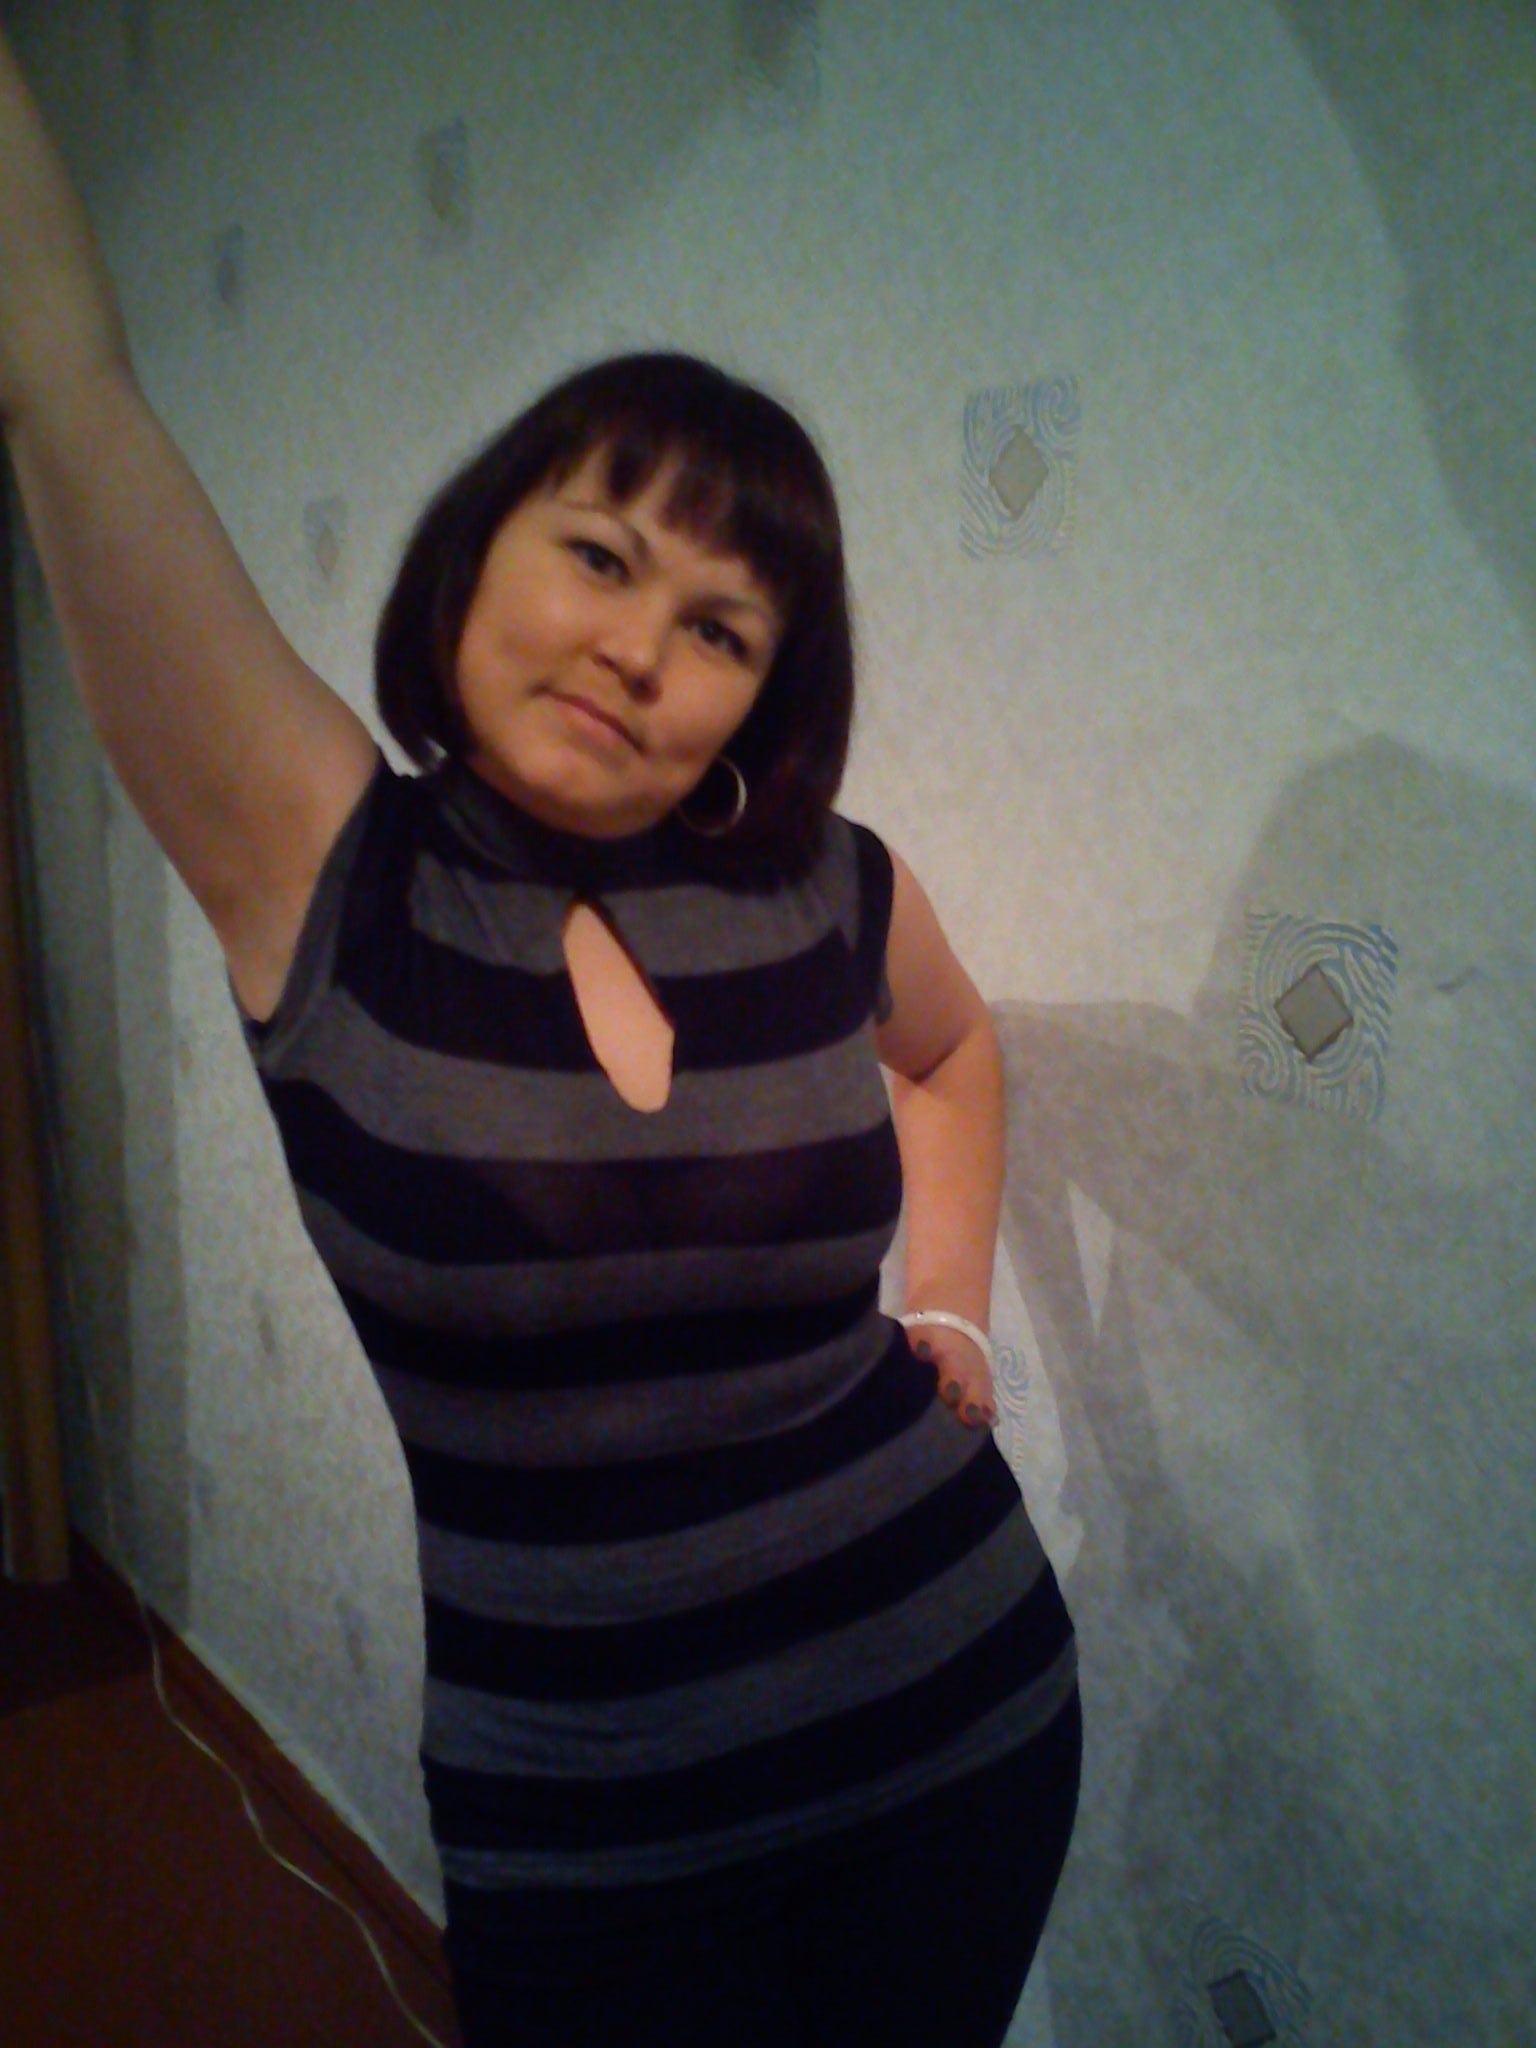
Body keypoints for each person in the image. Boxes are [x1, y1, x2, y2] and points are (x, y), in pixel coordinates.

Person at [1, 26, 1078, 2046]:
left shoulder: (831, 888)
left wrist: (949, 1301)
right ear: (481, 544)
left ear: (762, 694)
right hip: (595, 1837)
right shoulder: (329, 872)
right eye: (600, 554)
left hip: (963, 1724)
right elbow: (62, 380)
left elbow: (953, 1056)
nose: (637, 647)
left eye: (721, 629)